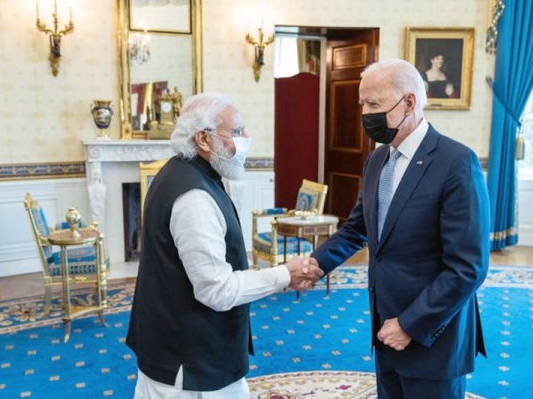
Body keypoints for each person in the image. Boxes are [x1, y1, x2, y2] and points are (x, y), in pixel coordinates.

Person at [308, 59, 490, 398]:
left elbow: (468, 267)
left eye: (374, 104)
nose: (364, 114)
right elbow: (357, 228)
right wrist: (315, 264)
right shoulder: (378, 159)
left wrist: (409, 324)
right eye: (362, 103)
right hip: (385, 331)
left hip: (432, 334)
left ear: (409, 102)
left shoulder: (456, 162)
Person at [126, 92, 323, 398]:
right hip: (192, 366)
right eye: (236, 132)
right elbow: (216, 290)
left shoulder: (181, 173)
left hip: (182, 353)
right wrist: (285, 274)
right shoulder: (193, 197)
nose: (245, 139)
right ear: (204, 140)